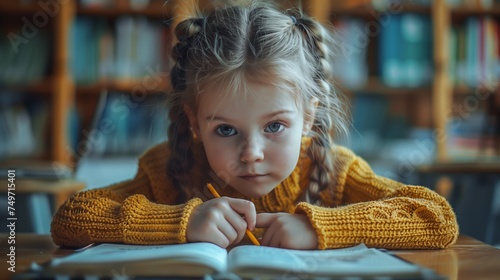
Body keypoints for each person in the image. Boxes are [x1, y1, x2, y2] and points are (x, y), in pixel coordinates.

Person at [51, 1, 458, 250]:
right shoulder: (167, 169)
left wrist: (319, 227)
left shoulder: (334, 171)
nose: (252, 154)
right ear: (194, 123)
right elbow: (72, 217)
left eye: (275, 126)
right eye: (225, 130)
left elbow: (437, 218)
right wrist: (181, 223)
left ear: (309, 118)